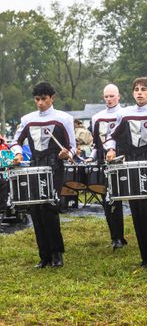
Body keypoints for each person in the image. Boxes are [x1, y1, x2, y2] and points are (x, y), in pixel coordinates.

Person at [105, 77, 147, 272]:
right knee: (135, 210)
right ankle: (144, 257)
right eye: (136, 89)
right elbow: (111, 136)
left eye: (144, 89)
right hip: (129, 163)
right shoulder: (124, 114)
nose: (139, 93)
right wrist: (110, 149)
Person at [11, 82, 76, 268]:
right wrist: (18, 153)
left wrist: (67, 154)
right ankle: (44, 255)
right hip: (34, 167)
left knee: (49, 208)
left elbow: (71, 146)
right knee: (36, 210)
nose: (40, 103)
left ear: (52, 98)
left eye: (44, 99)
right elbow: (16, 141)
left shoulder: (64, 118)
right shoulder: (27, 119)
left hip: (54, 167)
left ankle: (57, 254)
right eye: (37, 99)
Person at [88, 84, 127, 250]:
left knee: (134, 199)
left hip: (124, 161)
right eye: (106, 96)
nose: (109, 99)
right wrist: (92, 157)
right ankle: (116, 237)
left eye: (112, 96)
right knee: (109, 201)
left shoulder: (126, 113)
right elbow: (97, 143)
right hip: (105, 163)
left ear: (119, 96)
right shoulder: (97, 117)